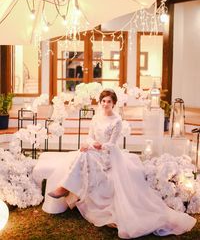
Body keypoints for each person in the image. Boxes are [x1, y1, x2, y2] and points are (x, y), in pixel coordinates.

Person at [46, 89, 196, 239]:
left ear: (114, 103)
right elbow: (90, 137)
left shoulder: (116, 121)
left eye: (109, 101)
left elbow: (111, 144)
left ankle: (65, 188)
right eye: (103, 101)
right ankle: (65, 188)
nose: (105, 104)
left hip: (107, 155)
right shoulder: (96, 118)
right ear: (100, 102)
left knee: (84, 154)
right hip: (94, 150)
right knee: (83, 153)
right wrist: (90, 144)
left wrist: (96, 146)